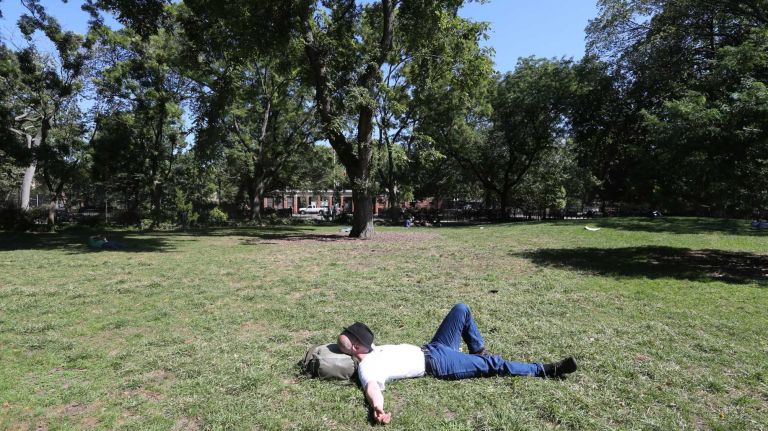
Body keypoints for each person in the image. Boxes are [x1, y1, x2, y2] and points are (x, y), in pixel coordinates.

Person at [338, 303, 577, 425]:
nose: (357, 334)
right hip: (439, 363)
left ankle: (479, 351)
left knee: (461, 309)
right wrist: (377, 408)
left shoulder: (374, 350)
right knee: (495, 364)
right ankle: (547, 370)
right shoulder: (367, 366)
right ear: (358, 348)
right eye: (356, 336)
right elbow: (371, 387)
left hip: (434, 347)